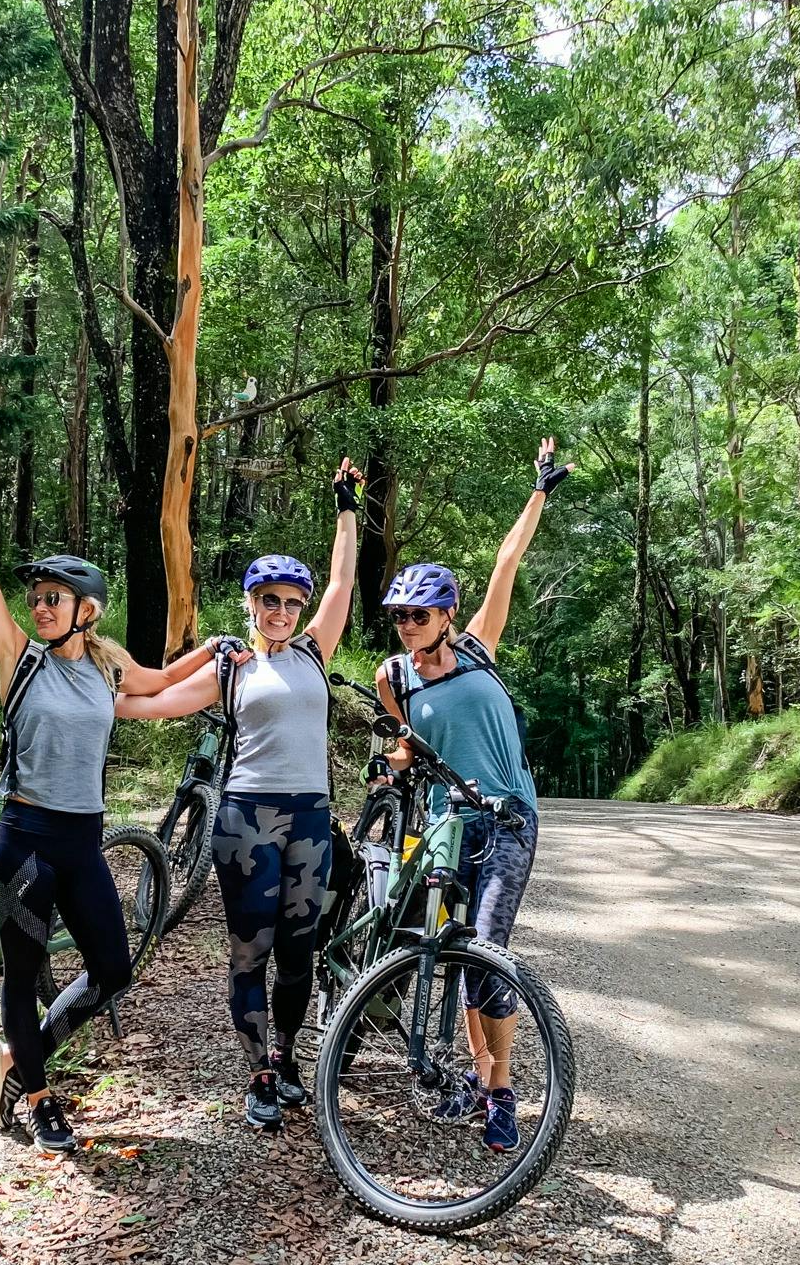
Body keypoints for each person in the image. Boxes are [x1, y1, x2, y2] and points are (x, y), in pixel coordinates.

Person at [0, 438, 228, 1155]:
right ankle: (38, 1093)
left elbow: (162, 681)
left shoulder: (106, 667)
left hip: (82, 840)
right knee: (23, 975)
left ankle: (24, 1056)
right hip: (23, 840)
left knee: (113, 966)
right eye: (38, 599)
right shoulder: (18, 659)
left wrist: (217, 651)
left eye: (53, 598)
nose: (40, 606)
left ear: (87, 608)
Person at [117, 461, 363, 1128]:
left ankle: (286, 1059)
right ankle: (257, 1072)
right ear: (251, 604)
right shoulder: (231, 668)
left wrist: (347, 505)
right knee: (250, 950)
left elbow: (343, 580)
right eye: (269, 600)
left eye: (291, 602)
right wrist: (86, 688)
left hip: (311, 818)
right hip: (247, 820)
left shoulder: (313, 651)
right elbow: (153, 699)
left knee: (298, 950)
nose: (281, 612)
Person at [373, 437, 570, 1153]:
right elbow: (406, 745)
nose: (408, 627)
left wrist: (540, 488)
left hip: (508, 820)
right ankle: (482, 1080)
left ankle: (503, 1087)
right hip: (444, 828)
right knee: (452, 953)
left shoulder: (481, 645)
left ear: (448, 615)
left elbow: (506, 559)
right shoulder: (393, 675)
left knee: (487, 949)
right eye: (400, 616)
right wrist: (392, 765)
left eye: (419, 616)